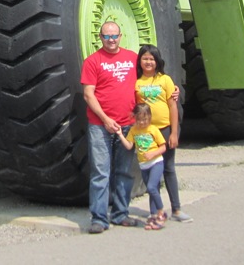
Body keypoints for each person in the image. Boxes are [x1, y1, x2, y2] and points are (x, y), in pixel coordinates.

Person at [81, 20, 141, 234]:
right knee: (100, 173)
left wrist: (171, 93)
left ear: (120, 36)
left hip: (128, 125)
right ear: (100, 37)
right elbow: (88, 94)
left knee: (124, 172)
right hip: (100, 126)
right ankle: (99, 218)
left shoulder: (132, 59)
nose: (111, 40)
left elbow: (145, 85)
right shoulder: (92, 62)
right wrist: (106, 119)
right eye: (107, 36)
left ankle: (121, 214)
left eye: (114, 35)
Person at [135, 43, 192, 223]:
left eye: (151, 58)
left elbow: (172, 106)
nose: (148, 62)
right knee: (152, 171)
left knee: (168, 168)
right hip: (148, 133)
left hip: (165, 129)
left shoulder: (165, 80)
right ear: (140, 61)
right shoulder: (137, 83)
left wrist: (174, 132)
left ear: (157, 61)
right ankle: (155, 211)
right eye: (145, 58)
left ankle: (176, 209)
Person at [117, 102, 168, 230]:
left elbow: (163, 147)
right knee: (152, 189)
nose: (142, 122)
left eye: (144, 119)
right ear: (135, 118)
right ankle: (153, 215)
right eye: (139, 120)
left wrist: (153, 154)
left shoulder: (153, 129)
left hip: (156, 162)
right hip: (144, 166)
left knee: (151, 187)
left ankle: (161, 212)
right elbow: (129, 146)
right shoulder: (134, 130)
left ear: (149, 118)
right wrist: (119, 134)